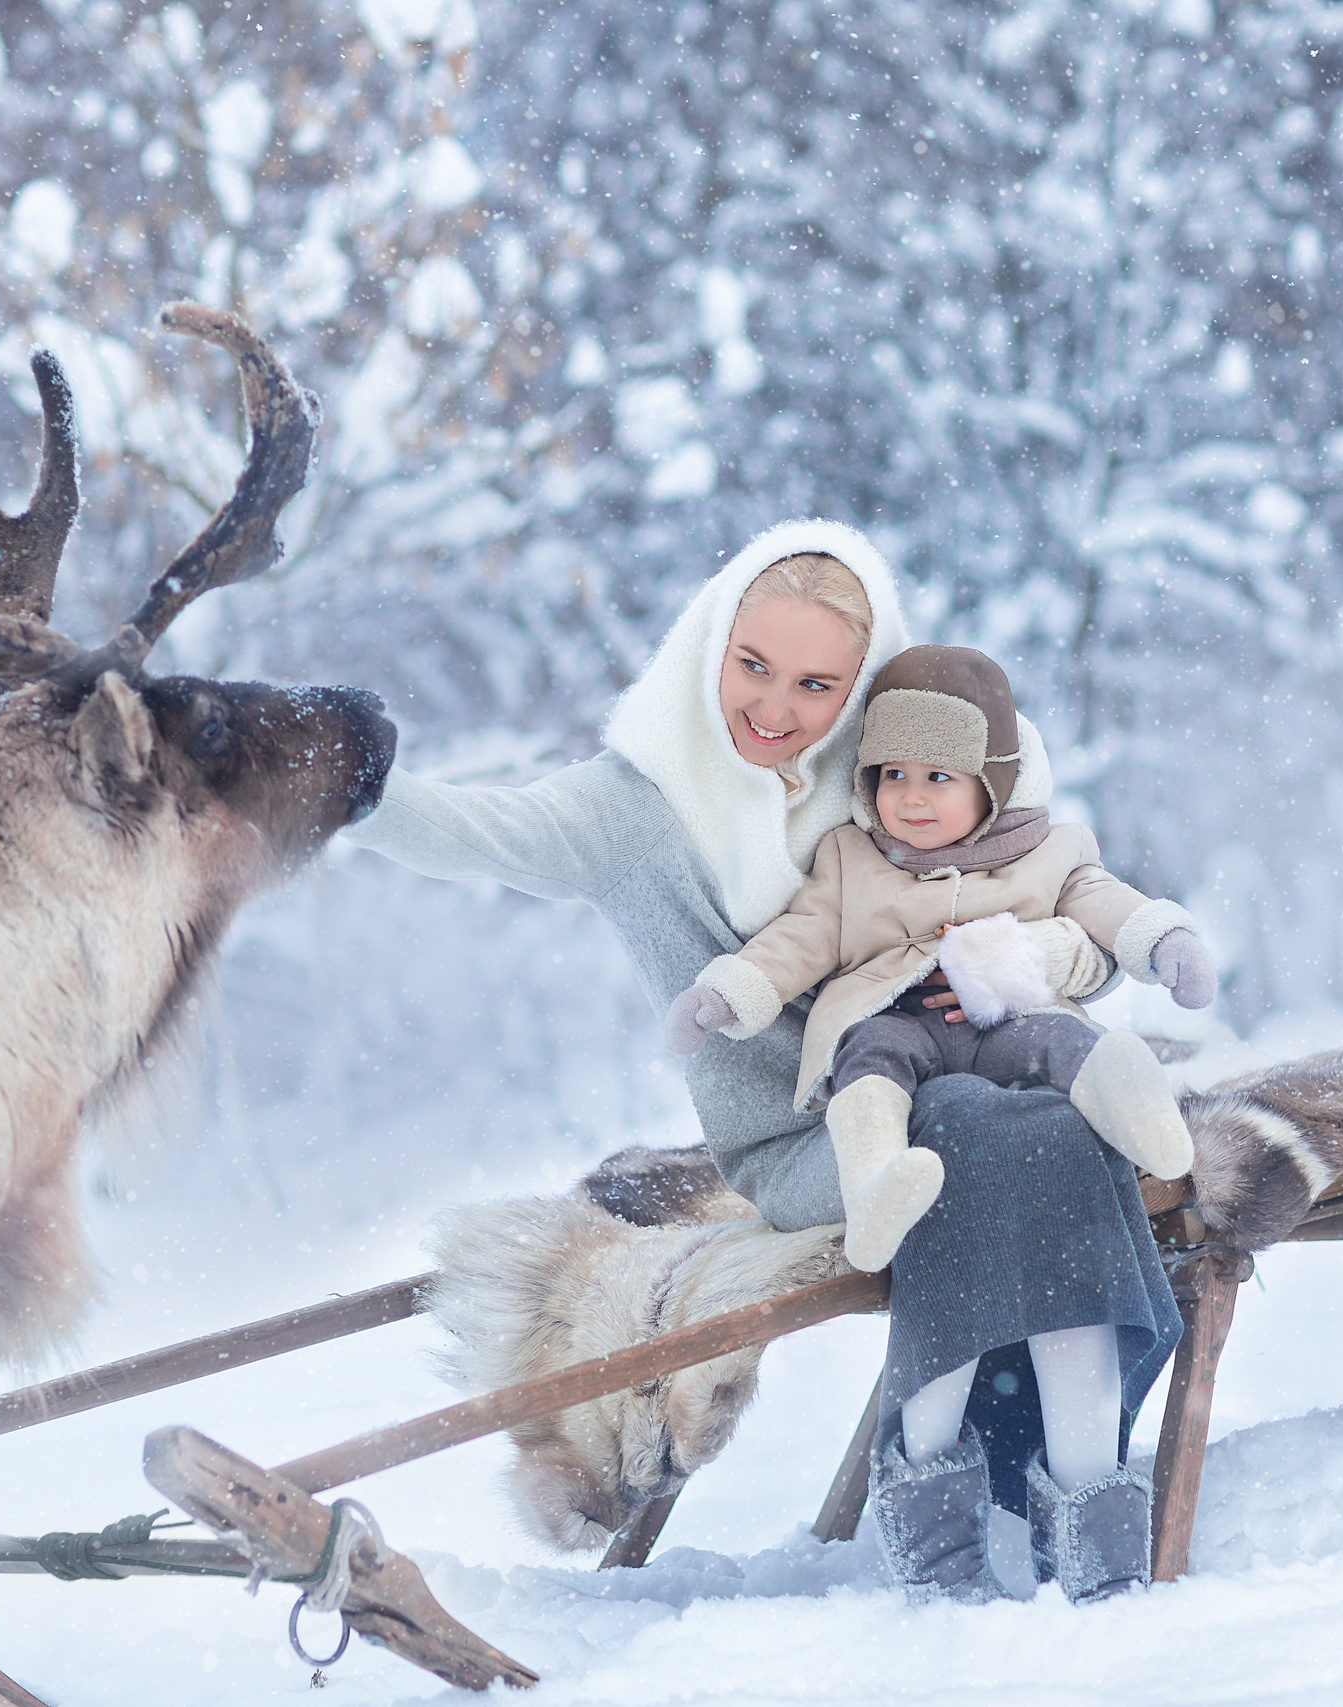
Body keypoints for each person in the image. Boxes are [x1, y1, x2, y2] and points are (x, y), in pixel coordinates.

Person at [341, 521, 1183, 1605]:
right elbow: (480, 831)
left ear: (863, 688)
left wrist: (1032, 959)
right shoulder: (637, 810)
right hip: (814, 1147)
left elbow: (1072, 921)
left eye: (817, 684)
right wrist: (341, 780)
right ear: (709, 646)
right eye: (753, 667)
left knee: (1037, 1122)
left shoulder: (899, 775)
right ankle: (961, 1500)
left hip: (991, 1087)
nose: (776, 711)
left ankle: (1075, 1487)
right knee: (977, 1127)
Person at [663, 644, 1216, 1274]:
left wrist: (1165, 939)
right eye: (893, 775)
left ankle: (1138, 1114)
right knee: (866, 1060)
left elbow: (1103, 899)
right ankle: (876, 1184)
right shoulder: (852, 857)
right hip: (896, 1021)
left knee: (1059, 1038)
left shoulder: (1048, 850)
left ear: (992, 786)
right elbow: (801, 935)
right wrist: (730, 992)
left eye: (939, 777)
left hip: (1009, 1018)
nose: (911, 799)